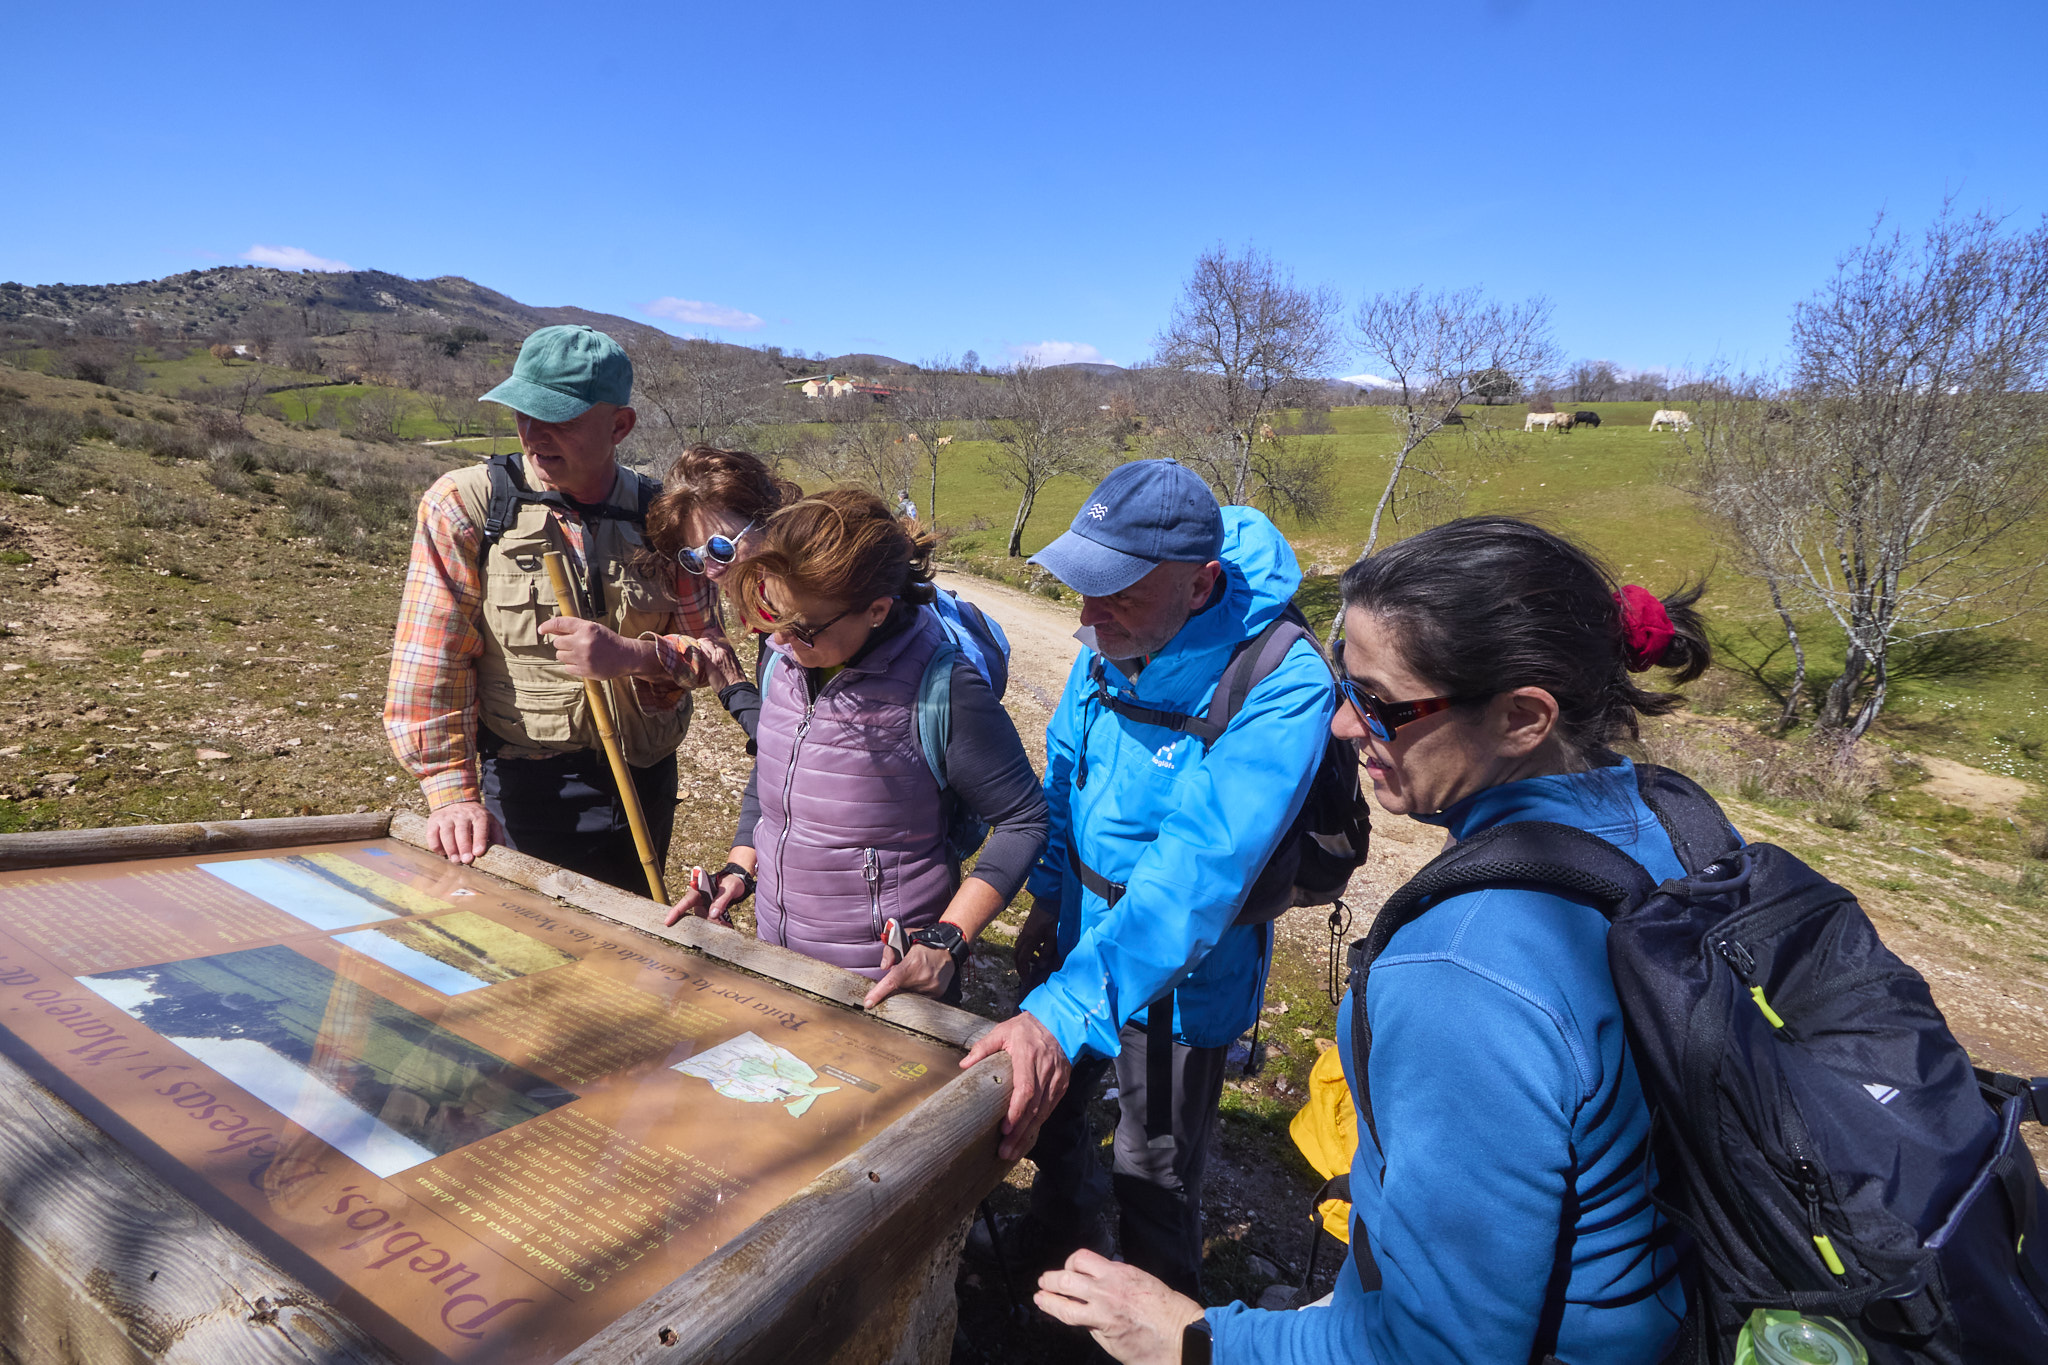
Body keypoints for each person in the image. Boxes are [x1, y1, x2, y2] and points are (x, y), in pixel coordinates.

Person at [1033, 515, 1704, 1365]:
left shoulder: (1467, 973)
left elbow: (1432, 1351)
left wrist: (1193, 1338)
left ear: (1523, 717)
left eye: (1380, 703)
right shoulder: (1670, 822)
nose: (1345, 728)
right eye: (1345, 686)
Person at [958, 458, 1337, 1299]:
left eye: (1118, 595)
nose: (1087, 617)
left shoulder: (1281, 678)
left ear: (1200, 583)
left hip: (1188, 978)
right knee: (1056, 1118)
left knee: (1152, 1168)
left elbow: (1197, 874)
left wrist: (1061, 1012)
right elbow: (1066, 767)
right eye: (1083, 589)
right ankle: (1057, 1242)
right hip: (1083, 936)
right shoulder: (1110, 639)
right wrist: (1048, 895)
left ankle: (1158, 1324)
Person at [385, 325, 742, 891]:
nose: (535, 435)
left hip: (645, 779)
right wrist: (452, 794)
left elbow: (713, 653)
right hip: (525, 784)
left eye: (560, 418)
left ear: (620, 426)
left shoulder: (665, 517)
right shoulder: (465, 505)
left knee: (630, 931)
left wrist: (634, 657)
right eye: (523, 413)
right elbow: (431, 662)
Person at [666, 489, 1048, 1007]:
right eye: (772, 613)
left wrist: (950, 939)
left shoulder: (944, 690)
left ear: (876, 611)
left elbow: (1025, 819)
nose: (779, 640)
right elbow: (775, 768)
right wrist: (739, 867)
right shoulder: (784, 658)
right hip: (780, 962)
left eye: (801, 629)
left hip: (889, 984)